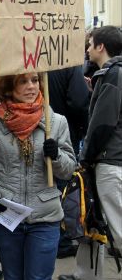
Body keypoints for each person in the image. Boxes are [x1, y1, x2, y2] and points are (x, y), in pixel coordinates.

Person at [0, 72, 76, 280]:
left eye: (35, 80)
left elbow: (68, 170)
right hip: (7, 216)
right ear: (8, 87)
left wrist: (56, 156)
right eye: (23, 81)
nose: (32, 86)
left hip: (46, 216)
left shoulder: (56, 122)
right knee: (12, 276)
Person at [59, 26, 122, 280]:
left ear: (101, 47)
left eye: (90, 43)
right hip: (107, 159)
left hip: (109, 160)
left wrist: (86, 157)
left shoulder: (114, 74)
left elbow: (103, 122)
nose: (86, 49)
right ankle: (85, 275)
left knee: (117, 225)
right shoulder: (109, 73)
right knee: (92, 220)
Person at [47, 66, 90, 259]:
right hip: (63, 132)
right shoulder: (68, 65)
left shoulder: (26, 58)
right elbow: (79, 102)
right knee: (62, 187)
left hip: (36, 131)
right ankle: (61, 240)